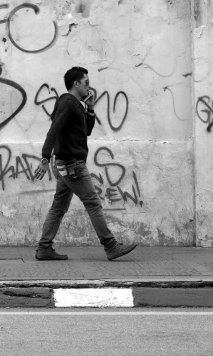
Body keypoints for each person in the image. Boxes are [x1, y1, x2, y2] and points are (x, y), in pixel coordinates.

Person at [33, 66, 136, 261]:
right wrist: (45, 157)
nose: (89, 86)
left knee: (59, 206)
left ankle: (44, 247)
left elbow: (86, 131)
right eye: (86, 82)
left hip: (67, 164)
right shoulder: (67, 102)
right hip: (72, 165)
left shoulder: (75, 105)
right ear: (76, 83)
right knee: (93, 203)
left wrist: (90, 108)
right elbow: (53, 130)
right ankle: (111, 246)